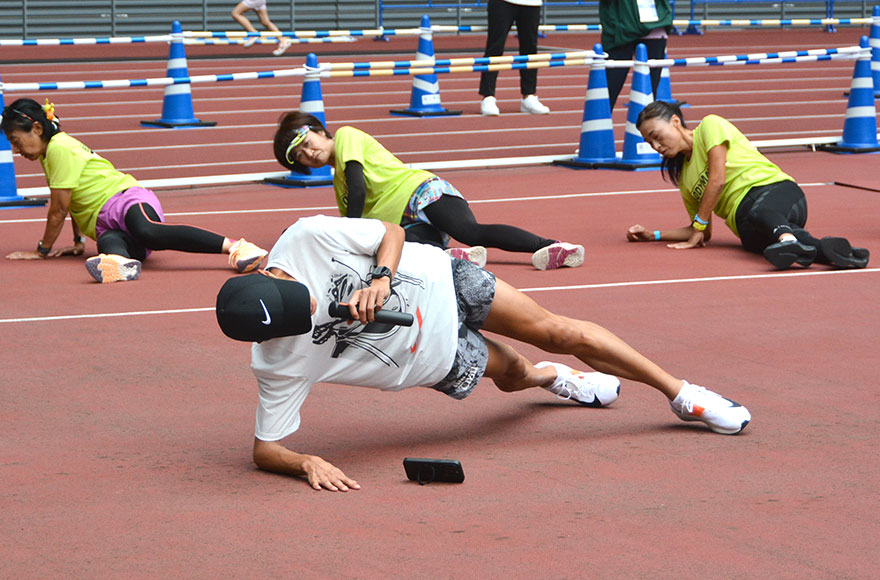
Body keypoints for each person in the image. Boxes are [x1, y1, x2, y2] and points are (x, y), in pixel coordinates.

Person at [215, 214, 752, 491]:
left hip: (442, 281)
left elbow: (391, 231)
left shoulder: (306, 237)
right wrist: (302, 460)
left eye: (299, 296)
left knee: (556, 329)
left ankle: (681, 393)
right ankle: (555, 381)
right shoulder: (275, 361)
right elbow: (266, 448)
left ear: (266, 270)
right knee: (516, 373)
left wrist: (380, 276)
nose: (312, 309)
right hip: (431, 356)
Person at [272, 111, 585, 270]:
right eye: (300, 156)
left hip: (420, 192)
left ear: (318, 131)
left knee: (470, 230)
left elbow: (358, 187)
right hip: (405, 226)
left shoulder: (345, 137)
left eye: (307, 144)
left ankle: (550, 247)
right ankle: (453, 256)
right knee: (399, 253)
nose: (309, 154)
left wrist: (348, 229)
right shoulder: (336, 185)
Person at [1, 98, 269, 283]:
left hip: (125, 199)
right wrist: (78, 243)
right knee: (108, 245)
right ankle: (121, 266)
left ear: (37, 128)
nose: (17, 149)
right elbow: (70, 202)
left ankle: (236, 247)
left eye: (17, 140)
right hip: (103, 224)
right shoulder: (50, 154)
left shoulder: (59, 146)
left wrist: (42, 250)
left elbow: (58, 211)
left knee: (148, 231)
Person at [627, 101, 870, 269]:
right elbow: (701, 231)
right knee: (753, 236)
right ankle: (834, 252)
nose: (656, 147)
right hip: (748, 225)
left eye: (656, 136)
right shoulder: (685, 178)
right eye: (649, 143)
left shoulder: (710, 126)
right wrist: (653, 235)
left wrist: (699, 225)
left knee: (759, 211)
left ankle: (788, 241)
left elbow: (717, 179)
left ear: (676, 121)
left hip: (777, 192)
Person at [478, 0, 550, 116]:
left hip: (531, 3)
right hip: (503, 2)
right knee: (495, 47)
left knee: (530, 48)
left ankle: (528, 96)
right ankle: (488, 96)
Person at [599, 0, 674, 109]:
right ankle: (600, 123)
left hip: (654, 28)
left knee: (648, 92)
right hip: (621, 28)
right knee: (610, 87)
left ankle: (647, 125)